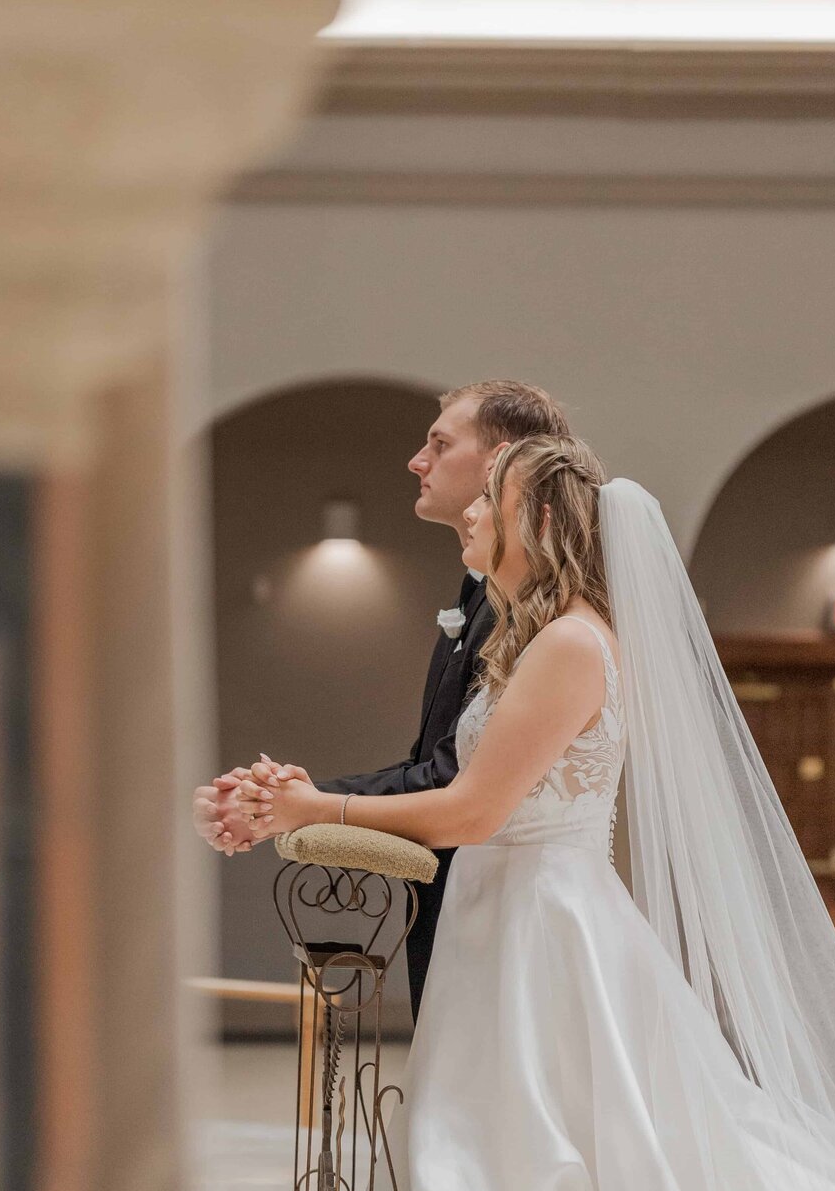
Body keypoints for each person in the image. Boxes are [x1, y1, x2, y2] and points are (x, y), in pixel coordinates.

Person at [214, 435, 835, 1191]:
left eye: (496, 501)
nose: (473, 514)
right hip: (507, 916)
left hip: (542, 926)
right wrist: (303, 801)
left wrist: (313, 801)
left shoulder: (572, 643)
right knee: (527, 1135)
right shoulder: (534, 639)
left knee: (543, 1140)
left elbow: (477, 808)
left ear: (541, 526)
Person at [192, 379, 569, 1020]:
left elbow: (456, 782)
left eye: (439, 444)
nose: (416, 461)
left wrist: (300, 807)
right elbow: (437, 761)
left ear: (500, 459)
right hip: (467, 906)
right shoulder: (486, 592)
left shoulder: (543, 621)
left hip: (515, 920)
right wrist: (286, 803)